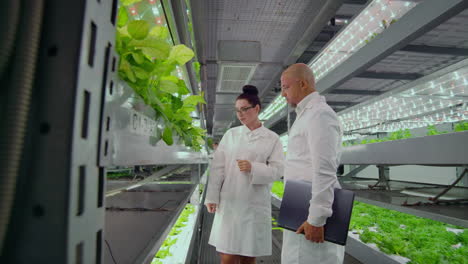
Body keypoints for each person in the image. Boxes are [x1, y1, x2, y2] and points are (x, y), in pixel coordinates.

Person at [205, 85, 284, 264]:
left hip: (254, 203)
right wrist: (212, 197)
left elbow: (278, 171)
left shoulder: (272, 139)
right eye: (237, 110)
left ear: (256, 108)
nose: (240, 114)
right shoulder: (231, 135)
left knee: (248, 256)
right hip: (230, 202)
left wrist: (254, 168)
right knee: (227, 255)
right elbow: (218, 168)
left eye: (244, 109)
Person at [280, 63, 344, 264]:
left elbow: (325, 170)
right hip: (300, 207)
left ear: (302, 84)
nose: (283, 94)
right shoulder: (306, 115)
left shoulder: (319, 114)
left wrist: (317, 218)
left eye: (285, 87)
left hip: (311, 213)